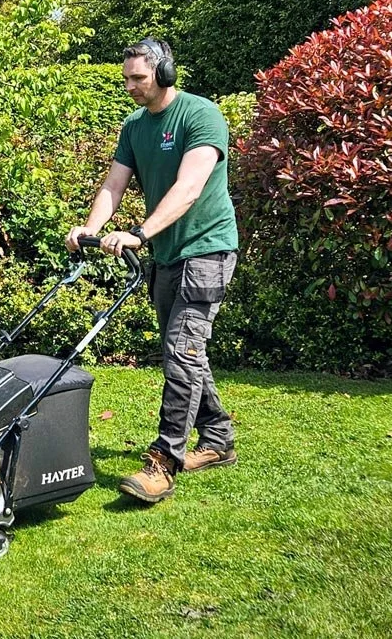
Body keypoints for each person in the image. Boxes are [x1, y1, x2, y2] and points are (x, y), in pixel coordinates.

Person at [65, 38, 239, 504]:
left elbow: (188, 188)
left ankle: (163, 461)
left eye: (138, 78)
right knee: (184, 350)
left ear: (164, 74)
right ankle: (219, 440)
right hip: (167, 255)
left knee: (181, 354)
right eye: (126, 78)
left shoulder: (201, 115)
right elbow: (114, 183)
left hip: (207, 251)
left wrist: (139, 233)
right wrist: (90, 228)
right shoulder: (135, 126)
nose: (131, 87)